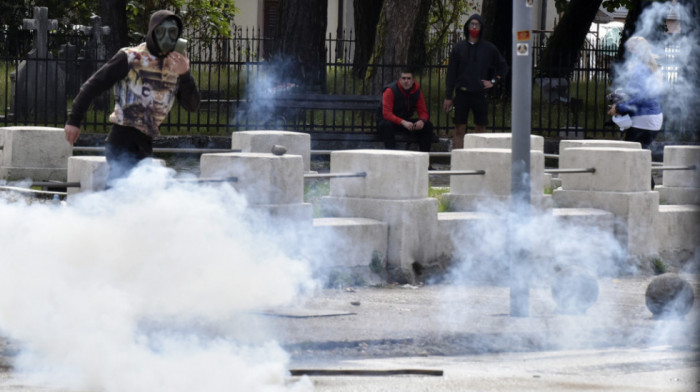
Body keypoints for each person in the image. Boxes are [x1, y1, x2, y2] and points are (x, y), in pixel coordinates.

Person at [64, 10, 200, 183]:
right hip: (123, 137)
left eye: (173, 32)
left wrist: (185, 74)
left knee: (136, 195)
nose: (167, 37)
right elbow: (94, 85)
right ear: (152, 32)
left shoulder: (176, 64)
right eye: (161, 31)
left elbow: (192, 105)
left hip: (146, 140)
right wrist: (74, 120)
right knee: (121, 191)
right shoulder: (131, 57)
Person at [443, 14, 508, 150]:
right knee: (459, 129)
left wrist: (493, 81)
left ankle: (479, 156)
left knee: (480, 129)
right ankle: (458, 160)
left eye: (477, 25)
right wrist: (448, 96)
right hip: (462, 93)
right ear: (467, 27)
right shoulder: (458, 48)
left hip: (480, 94)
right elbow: (451, 74)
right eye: (471, 24)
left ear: (481, 27)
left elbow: (503, 67)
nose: (474, 27)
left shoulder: (489, 48)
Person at [607, 36, 663, 150]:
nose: (629, 53)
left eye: (631, 50)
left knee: (630, 156)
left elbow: (643, 96)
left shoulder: (640, 69)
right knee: (641, 155)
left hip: (643, 120)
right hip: (653, 118)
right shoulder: (651, 67)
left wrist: (619, 108)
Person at [377, 70, 435, 153]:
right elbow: (386, 114)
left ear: (413, 80)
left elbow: (423, 111)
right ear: (400, 80)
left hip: (405, 122)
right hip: (388, 122)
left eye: (408, 78)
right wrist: (403, 122)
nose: (406, 81)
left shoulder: (417, 91)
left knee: (428, 126)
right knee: (387, 125)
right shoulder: (390, 90)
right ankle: (391, 157)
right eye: (403, 78)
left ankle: (424, 159)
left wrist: (421, 121)